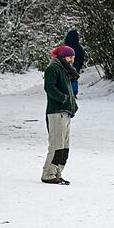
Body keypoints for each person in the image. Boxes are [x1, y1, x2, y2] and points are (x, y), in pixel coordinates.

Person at [41, 46, 79, 185]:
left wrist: (72, 104)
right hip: (56, 112)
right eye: (69, 56)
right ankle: (48, 174)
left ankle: (57, 172)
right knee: (56, 145)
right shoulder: (53, 68)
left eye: (73, 57)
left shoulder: (65, 70)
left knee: (64, 146)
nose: (72, 60)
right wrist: (63, 98)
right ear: (62, 56)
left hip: (66, 112)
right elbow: (49, 87)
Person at [63, 29, 85, 96]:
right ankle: (74, 92)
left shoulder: (65, 48)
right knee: (74, 79)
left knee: (66, 79)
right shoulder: (79, 47)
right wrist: (80, 64)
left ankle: (67, 91)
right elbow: (81, 57)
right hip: (76, 65)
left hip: (67, 65)